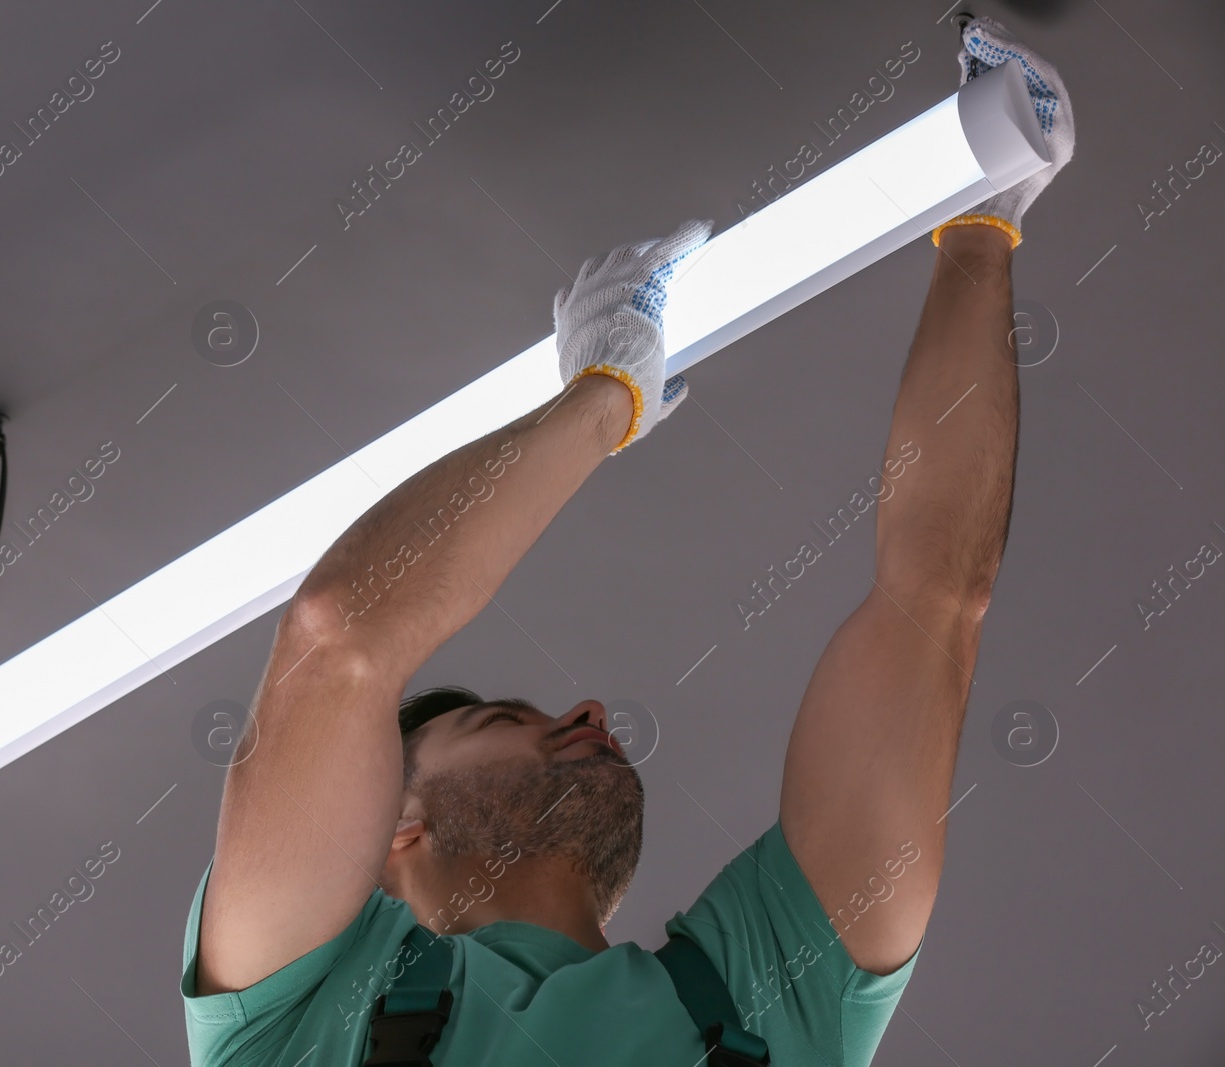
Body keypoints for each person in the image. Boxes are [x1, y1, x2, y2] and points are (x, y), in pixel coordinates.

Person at [180, 13, 1074, 1065]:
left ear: (394, 823)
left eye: (508, 716)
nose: (590, 709)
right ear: (390, 835)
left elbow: (341, 641)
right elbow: (937, 598)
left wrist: (978, 202)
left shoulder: (299, 1027)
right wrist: (604, 395)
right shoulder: (775, 1000)